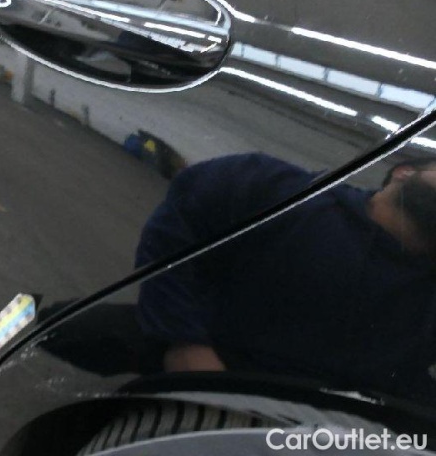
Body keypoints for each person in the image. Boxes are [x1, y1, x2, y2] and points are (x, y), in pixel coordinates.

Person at [135, 152, 436, 403]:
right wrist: (186, 347)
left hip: (344, 432)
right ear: (404, 172)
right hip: (208, 389)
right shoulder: (281, 190)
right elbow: (173, 236)